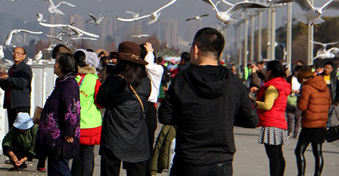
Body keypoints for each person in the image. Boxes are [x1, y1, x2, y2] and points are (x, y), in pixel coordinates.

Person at [159, 27, 258, 176]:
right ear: (219, 52)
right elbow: (251, 120)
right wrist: (224, 116)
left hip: (189, 161)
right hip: (221, 162)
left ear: (196, 49)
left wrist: (188, 116)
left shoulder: (182, 79)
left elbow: (165, 116)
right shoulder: (234, 81)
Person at [96, 41, 150, 176]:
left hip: (114, 137)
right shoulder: (145, 82)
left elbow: (100, 100)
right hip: (138, 137)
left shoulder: (115, 80)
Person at [37, 52, 80, 176]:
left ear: (63, 66)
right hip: (53, 139)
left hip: (61, 138)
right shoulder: (62, 83)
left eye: (56, 63)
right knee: (55, 170)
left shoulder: (69, 85)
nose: (54, 65)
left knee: (60, 170)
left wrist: (69, 132)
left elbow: (72, 109)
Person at [256, 60, 291, 176]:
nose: (265, 72)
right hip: (279, 122)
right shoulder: (281, 83)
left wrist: (253, 102)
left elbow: (267, 105)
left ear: (270, 71)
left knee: (273, 156)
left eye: (266, 70)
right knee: (278, 155)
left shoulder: (272, 87)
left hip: (271, 123)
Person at [295, 67, 330, 176]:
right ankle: (318, 174)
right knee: (318, 152)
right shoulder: (325, 87)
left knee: (299, 151)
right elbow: (328, 104)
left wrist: (298, 98)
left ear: (304, 78)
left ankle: (301, 174)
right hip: (321, 124)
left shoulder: (307, 87)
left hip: (309, 123)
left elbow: (302, 106)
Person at [72, 50, 101, 176]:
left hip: (73, 123)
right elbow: (99, 101)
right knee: (88, 155)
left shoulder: (71, 78)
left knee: (76, 156)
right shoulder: (94, 79)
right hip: (90, 123)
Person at [141, 42, 164, 176]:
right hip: (139, 106)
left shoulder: (157, 69)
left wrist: (149, 52)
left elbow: (148, 66)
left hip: (149, 106)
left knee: (148, 141)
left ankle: (147, 170)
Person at [0, 46, 33, 129]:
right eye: (14, 53)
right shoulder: (11, 69)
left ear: (24, 56)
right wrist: (2, 79)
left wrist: (7, 78)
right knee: (12, 130)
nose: (16, 55)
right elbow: (5, 87)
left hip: (21, 104)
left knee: (21, 130)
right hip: (11, 105)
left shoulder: (25, 68)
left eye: (18, 53)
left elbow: (22, 83)